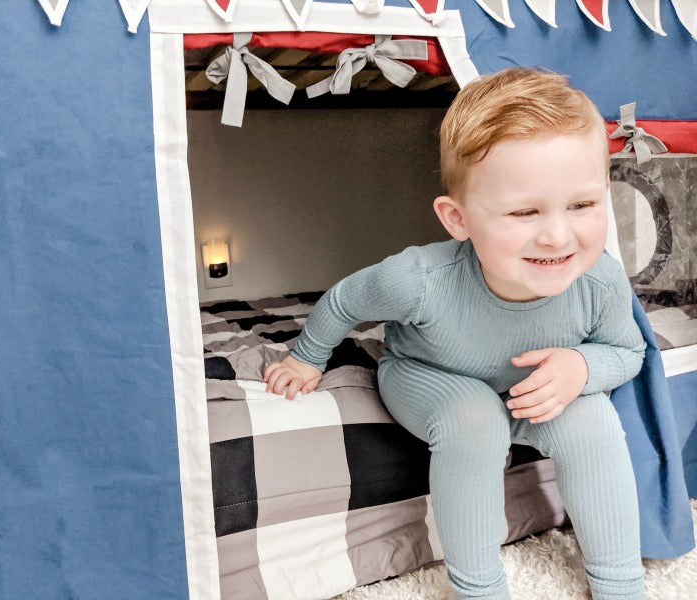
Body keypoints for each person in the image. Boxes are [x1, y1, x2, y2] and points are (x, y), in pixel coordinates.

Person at [264, 67, 647, 599]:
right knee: (473, 419)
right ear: (458, 218)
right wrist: (306, 358)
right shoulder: (419, 280)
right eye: (524, 211)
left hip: (527, 391)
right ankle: (478, 587)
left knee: (594, 418)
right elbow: (345, 299)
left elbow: (627, 352)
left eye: (582, 205)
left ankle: (621, 585)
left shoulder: (600, 278)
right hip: (431, 375)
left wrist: (582, 366)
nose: (559, 233)